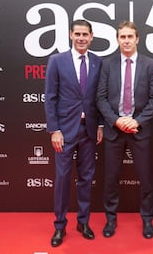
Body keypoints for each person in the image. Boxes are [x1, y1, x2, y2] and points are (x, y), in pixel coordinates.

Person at [96, 20, 153, 239]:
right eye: (122, 37)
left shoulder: (150, 65)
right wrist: (116, 121)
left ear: (137, 39)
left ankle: (148, 221)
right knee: (111, 178)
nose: (126, 41)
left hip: (139, 130)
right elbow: (101, 98)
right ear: (117, 39)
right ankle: (110, 220)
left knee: (145, 178)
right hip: (115, 131)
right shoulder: (108, 64)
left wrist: (137, 121)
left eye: (129, 37)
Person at [45, 19, 103, 247]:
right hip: (65, 131)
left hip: (89, 130)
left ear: (91, 36)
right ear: (71, 35)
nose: (81, 38)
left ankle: (83, 221)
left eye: (85, 34)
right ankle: (60, 226)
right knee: (62, 179)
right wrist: (54, 130)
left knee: (86, 178)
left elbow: (99, 98)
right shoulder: (57, 61)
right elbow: (50, 97)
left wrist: (99, 125)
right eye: (77, 33)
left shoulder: (98, 62)